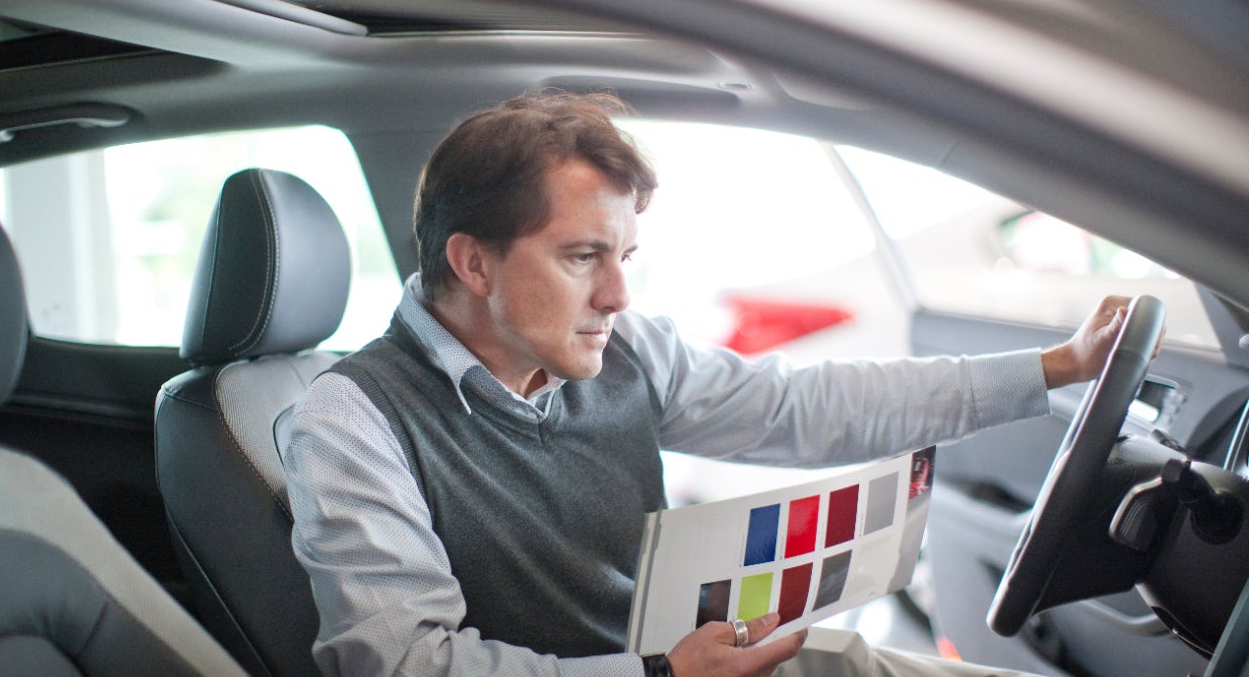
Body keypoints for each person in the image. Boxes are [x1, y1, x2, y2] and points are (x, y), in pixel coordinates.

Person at [282, 91, 1138, 677]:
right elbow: (404, 663)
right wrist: (656, 672)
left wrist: (1052, 369)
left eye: (624, 259)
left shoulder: (621, 349)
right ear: (473, 261)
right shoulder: (352, 419)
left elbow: (805, 408)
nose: (617, 295)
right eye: (584, 257)